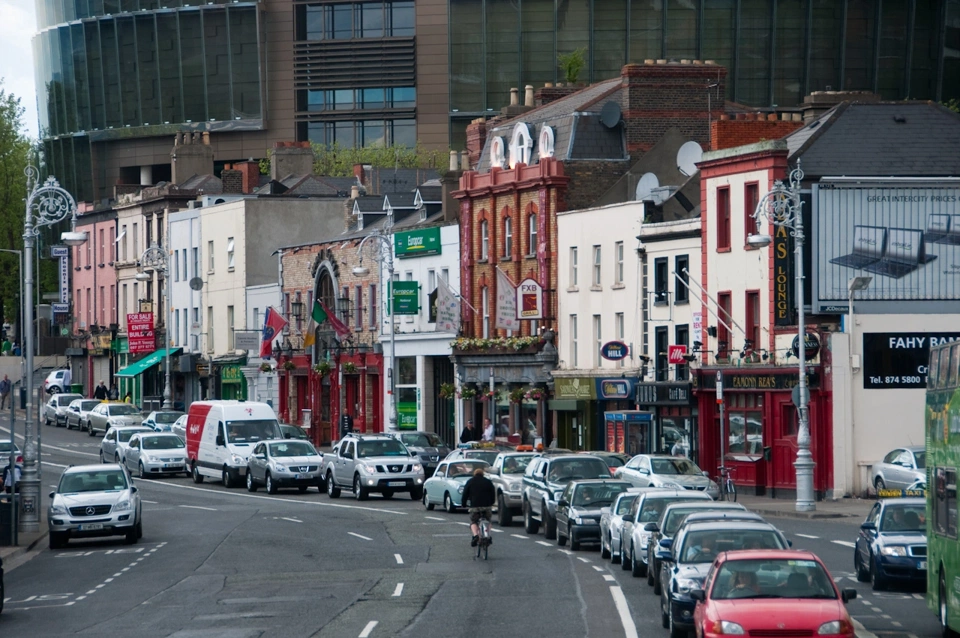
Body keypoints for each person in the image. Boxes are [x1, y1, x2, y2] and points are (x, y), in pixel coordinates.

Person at [461, 467, 496, 547]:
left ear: (474, 474)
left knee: (474, 521)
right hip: (486, 506)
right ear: (482, 474)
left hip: (475, 506)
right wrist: (491, 503)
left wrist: (464, 504)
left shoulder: (470, 481)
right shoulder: (488, 482)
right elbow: (493, 494)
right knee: (488, 521)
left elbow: (465, 494)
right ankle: (487, 535)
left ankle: (475, 535)